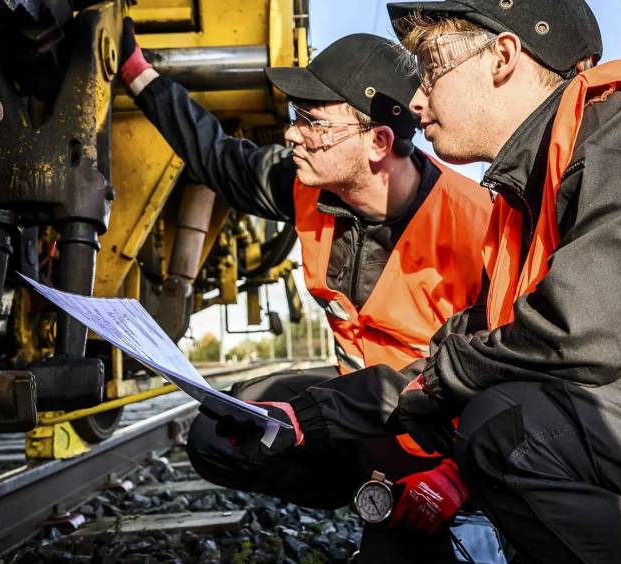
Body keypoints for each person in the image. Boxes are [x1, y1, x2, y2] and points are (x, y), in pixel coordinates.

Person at [236, 0, 621, 561]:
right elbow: (464, 352)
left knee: (513, 427)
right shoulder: (526, 203)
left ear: (502, 56)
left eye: (429, 68)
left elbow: (579, 332)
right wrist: (313, 414)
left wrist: (434, 393)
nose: (417, 98)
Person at [119, 25, 493, 560]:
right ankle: (366, 488)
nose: (293, 135)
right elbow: (216, 157)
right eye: (297, 118)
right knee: (217, 434)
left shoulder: (476, 225)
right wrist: (136, 71)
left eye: (312, 122)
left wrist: (460, 473)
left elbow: (515, 373)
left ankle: (416, 512)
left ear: (379, 142)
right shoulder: (306, 187)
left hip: (443, 428)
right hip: (356, 409)